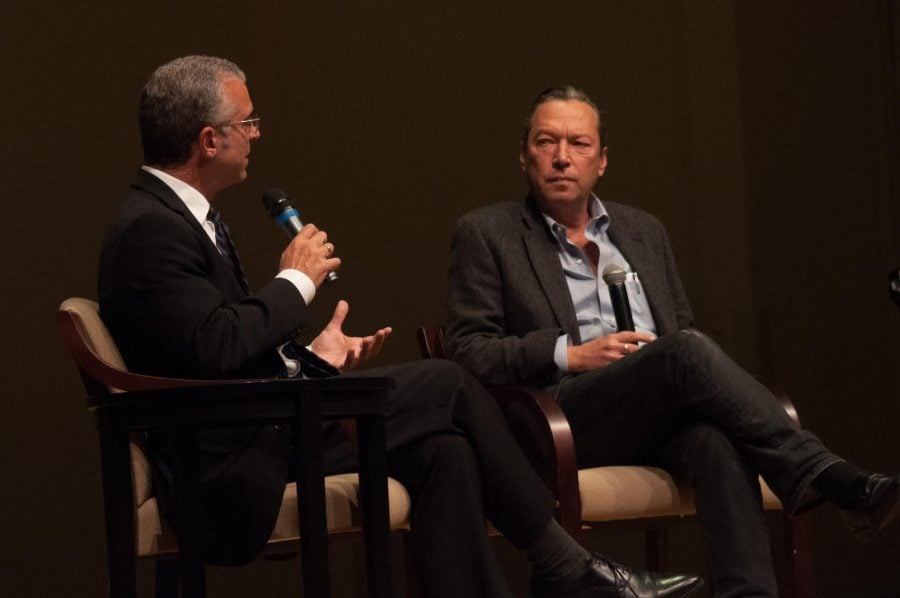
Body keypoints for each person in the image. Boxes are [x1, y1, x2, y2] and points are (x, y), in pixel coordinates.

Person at [97, 57, 703, 598]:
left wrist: (308, 359)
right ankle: (565, 564)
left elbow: (209, 344)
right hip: (228, 459)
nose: (257, 135)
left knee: (443, 449)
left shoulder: (180, 216)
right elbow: (215, 345)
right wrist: (295, 282)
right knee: (446, 383)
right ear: (209, 139)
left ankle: (556, 569)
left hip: (262, 420)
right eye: (248, 123)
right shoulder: (153, 227)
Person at [446, 85, 900, 597]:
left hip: (653, 405)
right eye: (546, 142)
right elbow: (469, 350)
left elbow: (680, 328)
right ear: (524, 156)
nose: (561, 157)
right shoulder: (487, 232)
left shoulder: (643, 231)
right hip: (561, 415)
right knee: (684, 349)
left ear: (602, 161)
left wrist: (668, 361)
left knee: (715, 440)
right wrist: (568, 353)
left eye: (579, 144)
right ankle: (828, 475)